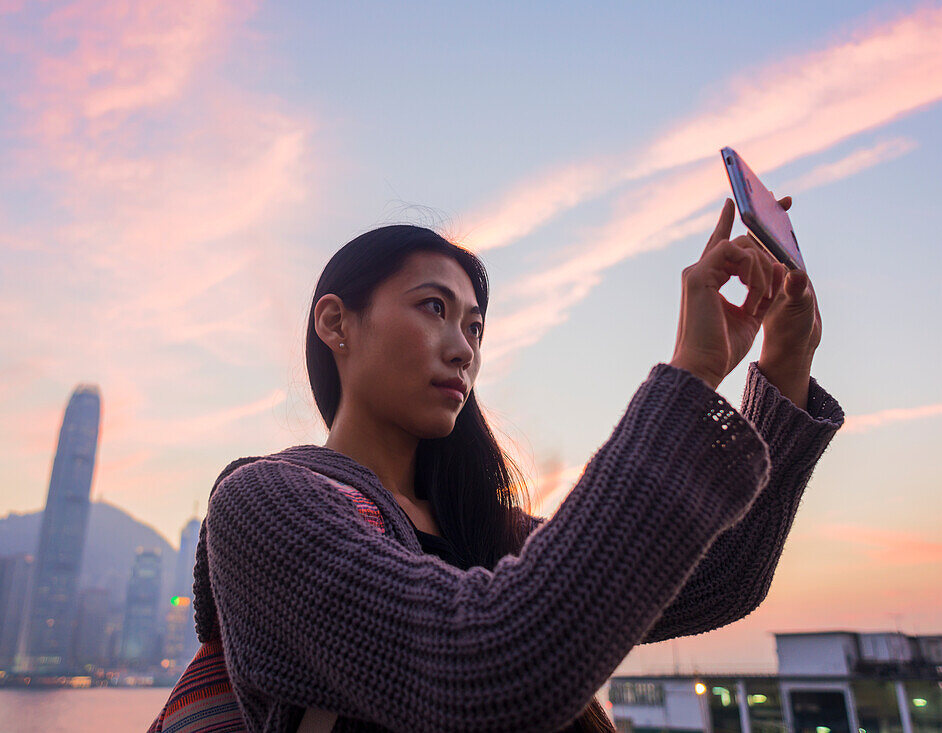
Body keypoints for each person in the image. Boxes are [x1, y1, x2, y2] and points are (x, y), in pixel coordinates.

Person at [191, 197, 845, 732]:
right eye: (433, 308)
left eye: (475, 327)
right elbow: (488, 665)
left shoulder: (482, 527)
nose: (462, 348)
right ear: (336, 322)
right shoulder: (263, 503)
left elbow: (721, 579)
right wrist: (692, 373)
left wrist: (783, 367)